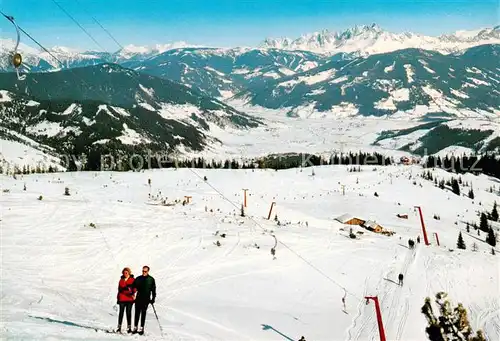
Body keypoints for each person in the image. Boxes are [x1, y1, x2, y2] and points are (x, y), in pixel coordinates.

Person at [132, 265, 156, 335]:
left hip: (146, 299)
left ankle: (141, 328)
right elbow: (133, 287)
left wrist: (153, 299)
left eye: (145, 271)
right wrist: (133, 294)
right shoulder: (138, 278)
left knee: (143, 313)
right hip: (138, 298)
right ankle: (135, 327)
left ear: (148, 271)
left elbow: (153, 290)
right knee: (137, 313)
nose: (144, 272)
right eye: (143, 271)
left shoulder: (151, 279)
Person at [116, 267, 136, 333]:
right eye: (124, 273)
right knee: (121, 313)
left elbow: (135, 288)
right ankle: (119, 327)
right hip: (122, 299)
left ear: (129, 273)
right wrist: (118, 298)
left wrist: (132, 292)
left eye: (126, 273)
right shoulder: (121, 280)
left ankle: (129, 328)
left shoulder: (133, 279)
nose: (125, 274)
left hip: (129, 299)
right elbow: (119, 290)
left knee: (128, 313)